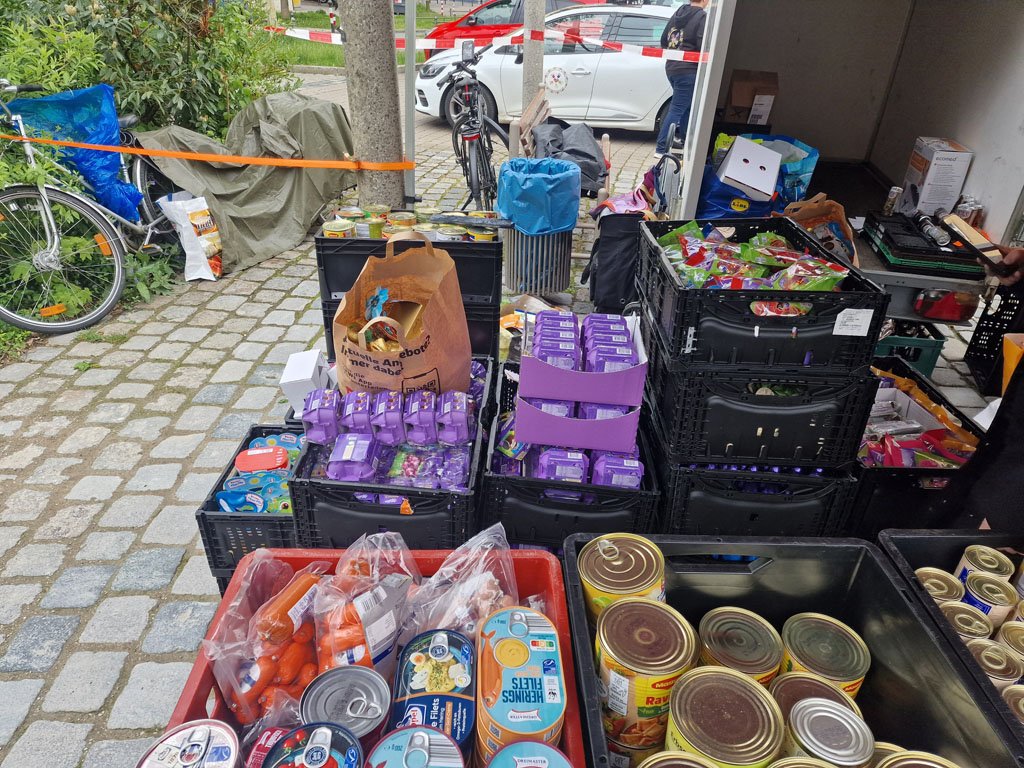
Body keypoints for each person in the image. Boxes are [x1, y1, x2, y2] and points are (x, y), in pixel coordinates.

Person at [655, 0, 709, 156]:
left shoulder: (677, 14)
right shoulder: (702, 16)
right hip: (688, 70)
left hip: (672, 67)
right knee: (678, 109)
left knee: (687, 107)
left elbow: (664, 40)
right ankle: (661, 148)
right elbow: (702, 45)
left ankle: (687, 144)